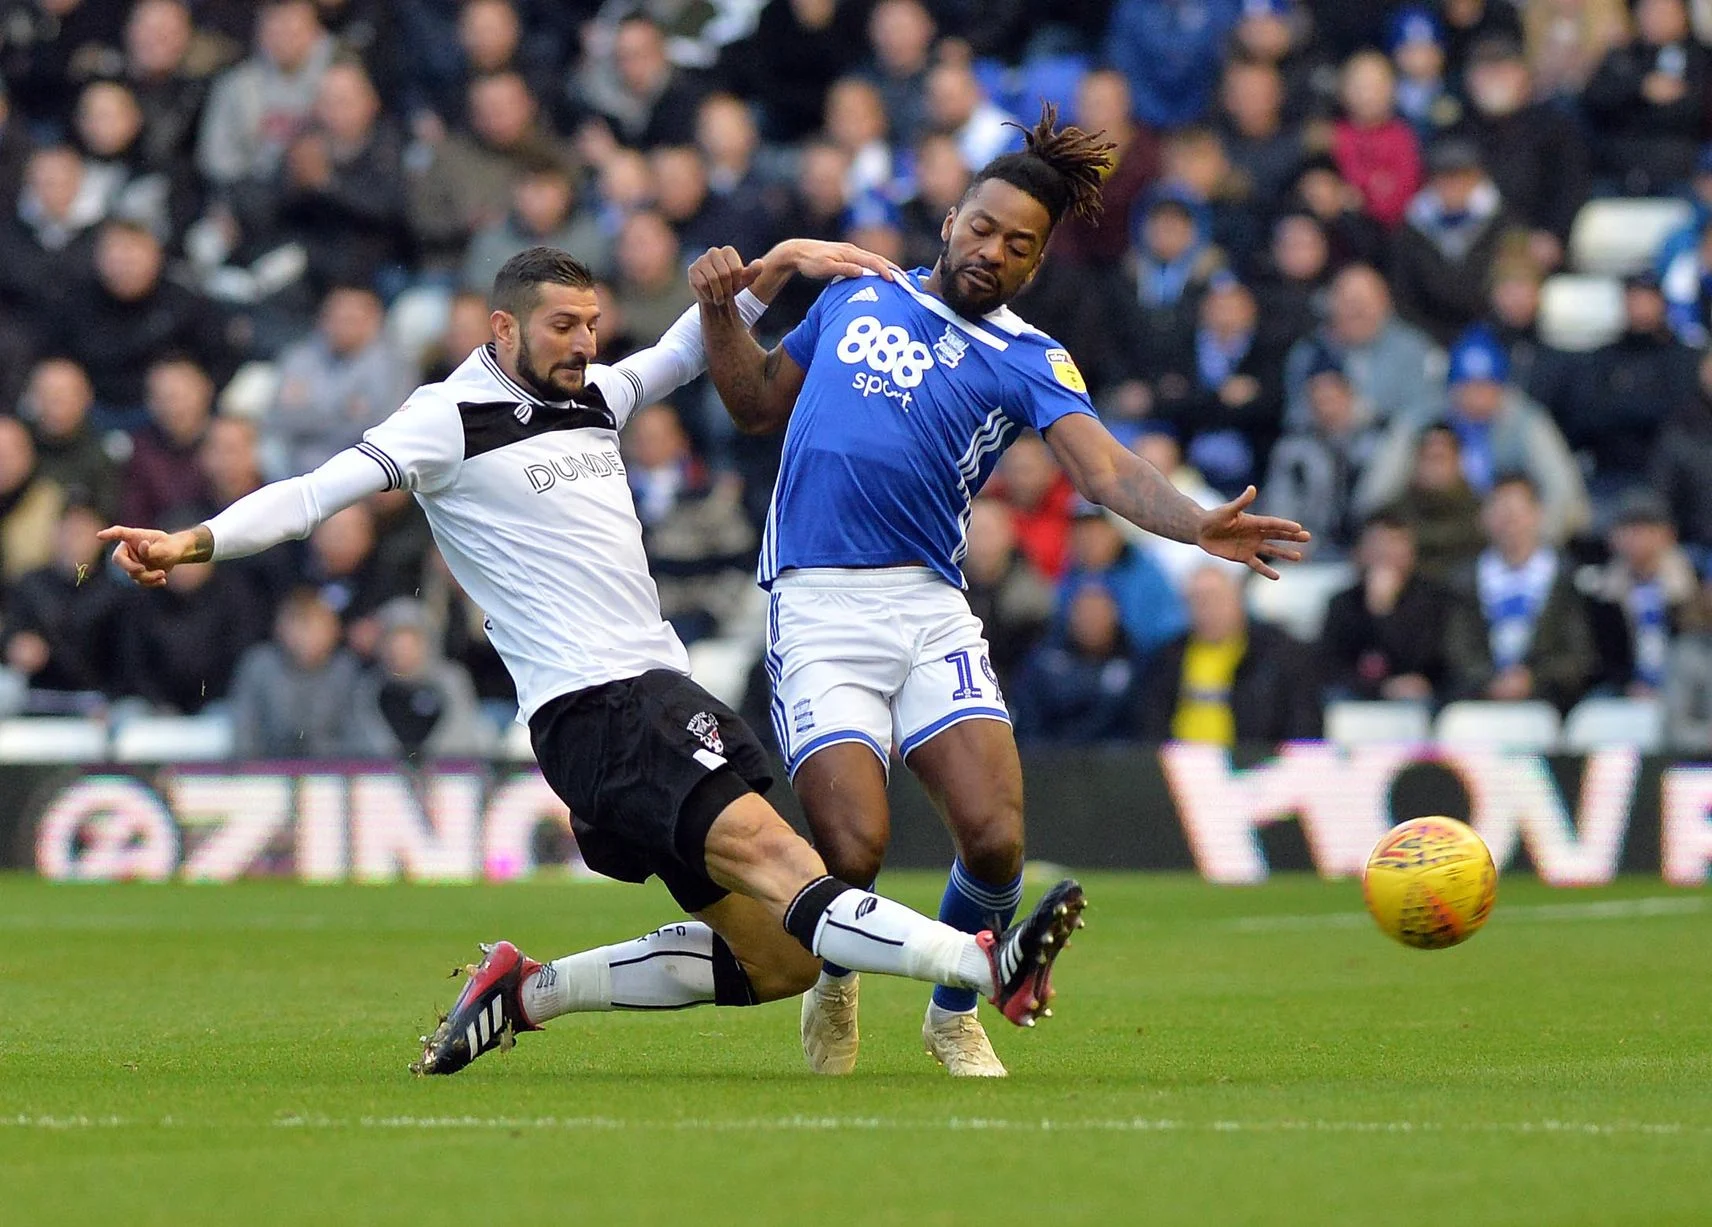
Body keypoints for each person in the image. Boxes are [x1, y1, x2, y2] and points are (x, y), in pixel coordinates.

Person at [100, 241, 1087, 1078]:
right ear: (500, 331)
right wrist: (197, 540)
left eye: (592, 323)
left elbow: (676, 353)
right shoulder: (449, 416)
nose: (585, 343)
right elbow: (317, 492)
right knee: (792, 866)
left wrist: (778, 265)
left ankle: (528, 993)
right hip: (602, 707)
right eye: (564, 325)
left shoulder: (595, 397)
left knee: (778, 962)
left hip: (649, 700)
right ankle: (980, 964)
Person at [693, 106, 1308, 1078]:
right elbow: (752, 401)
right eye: (981, 227)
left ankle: (949, 1013)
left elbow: (1103, 473)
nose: (993, 252)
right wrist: (722, 310)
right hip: (816, 609)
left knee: (993, 837)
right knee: (849, 850)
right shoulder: (856, 296)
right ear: (949, 220)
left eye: (1019, 245)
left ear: (1037, 262)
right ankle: (837, 984)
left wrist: (1194, 524)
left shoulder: (1027, 358)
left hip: (928, 608)